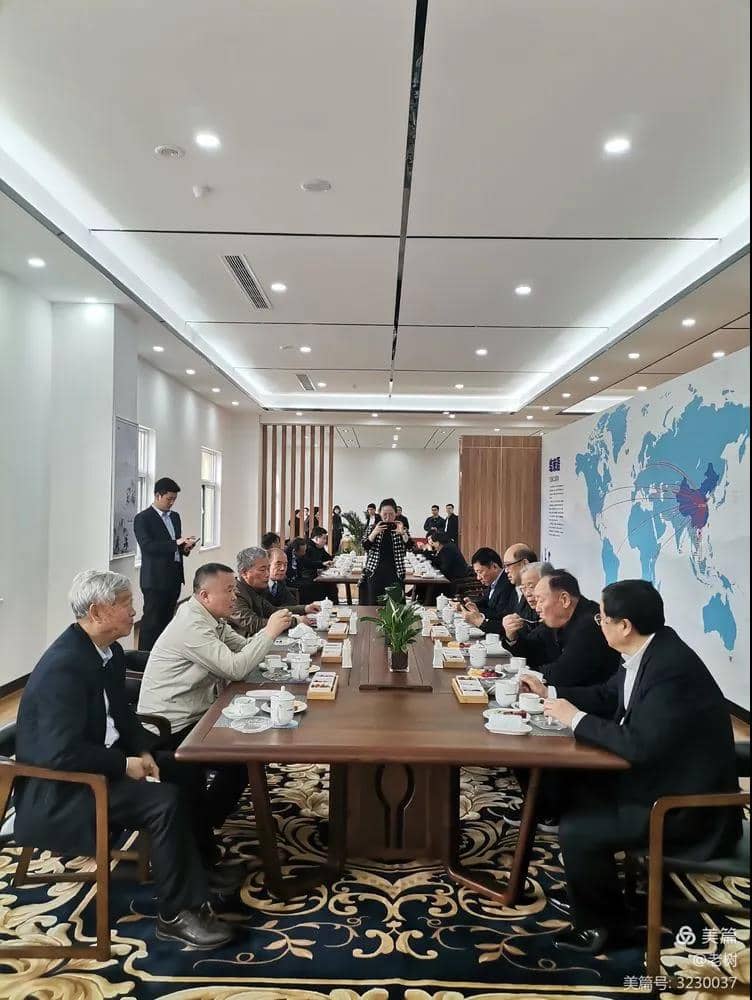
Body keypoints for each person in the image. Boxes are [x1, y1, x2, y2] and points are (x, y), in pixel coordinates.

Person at [521, 580, 743, 954]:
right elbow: (607, 695)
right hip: (666, 779)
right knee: (572, 788)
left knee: (579, 828)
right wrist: (551, 694)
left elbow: (639, 746)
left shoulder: (670, 669)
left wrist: (574, 719)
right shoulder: (652, 650)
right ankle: (592, 886)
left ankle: (607, 928)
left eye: (602, 618)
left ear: (624, 625)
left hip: (686, 807)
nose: (598, 624)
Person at [15, 570, 233, 948]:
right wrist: (123, 765)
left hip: (98, 765)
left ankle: (200, 867)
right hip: (63, 789)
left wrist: (143, 751)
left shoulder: (107, 652)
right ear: (97, 612)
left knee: (183, 768)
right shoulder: (64, 667)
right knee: (164, 802)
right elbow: (58, 752)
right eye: (126, 604)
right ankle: (176, 913)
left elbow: (122, 717)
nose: (135, 611)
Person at [138, 564, 292, 862]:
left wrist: (270, 640)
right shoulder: (192, 626)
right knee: (242, 758)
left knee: (246, 754)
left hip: (199, 715)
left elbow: (244, 649)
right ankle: (197, 832)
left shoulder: (212, 618)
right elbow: (235, 668)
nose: (235, 596)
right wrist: (270, 632)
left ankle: (201, 822)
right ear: (205, 595)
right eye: (229, 590)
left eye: (234, 589)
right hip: (169, 727)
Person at [506, 569, 621, 687]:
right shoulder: (558, 618)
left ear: (564, 599)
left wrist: (522, 675)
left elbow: (561, 674)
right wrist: (512, 637)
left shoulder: (590, 624)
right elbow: (532, 650)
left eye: (541, 600)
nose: (537, 608)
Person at [133, 477, 198, 651]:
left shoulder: (175, 517)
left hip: (174, 578)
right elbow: (147, 546)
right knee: (151, 623)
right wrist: (176, 543)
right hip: (155, 580)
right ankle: (144, 657)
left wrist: (185, 547)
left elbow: (175, 546)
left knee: (168, 621)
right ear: (157, 495)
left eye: (174, 499)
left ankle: (163, 655)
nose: (172, 503)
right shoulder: (143, 518)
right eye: (169, 499)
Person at [230, 546, 318, 637]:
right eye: (262, 570)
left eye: (268, 569)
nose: (267, 574)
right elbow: (255, 624)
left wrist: (304, 608)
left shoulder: (253, 588)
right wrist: (295, 621)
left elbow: (273, 610)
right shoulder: (234, 594)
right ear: (244, 573)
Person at [360, 497, 408, 604]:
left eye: (391, 514)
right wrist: (374, 533)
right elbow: (364, 546)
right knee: (374, 604)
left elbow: (410, 547)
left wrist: (403, 534)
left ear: (396, 514)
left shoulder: (401, 528)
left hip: (395, 573)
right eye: (385, 514)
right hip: (375, 572)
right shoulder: (372, 527)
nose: (388, 517)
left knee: (395, 605)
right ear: (379, 513)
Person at [460, 547, 516, 635]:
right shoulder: (494, 581)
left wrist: (476, 615)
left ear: (494, 566)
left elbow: (499, 614)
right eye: (476, 573)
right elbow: (486, 602)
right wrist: (469, 605)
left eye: (480, 572)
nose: (478, 578)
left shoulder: (507, 584)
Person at [496, 544, 540, 638]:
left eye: (508, 565)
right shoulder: (514, 589)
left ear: (524, 564)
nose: (506, 571)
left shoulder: (537, 595)